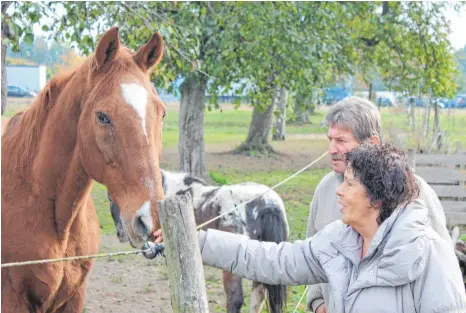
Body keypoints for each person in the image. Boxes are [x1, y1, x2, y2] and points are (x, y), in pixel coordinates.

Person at [146, 144, 466, 312]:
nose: (338, 191)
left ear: (377, 197)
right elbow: (273, 261)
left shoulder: (431, 256)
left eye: (350, 184)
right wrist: (195, 241)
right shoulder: (340, 240)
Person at [306, 96, 451, 313]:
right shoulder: (326, 188)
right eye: (330, 139)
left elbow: (442, 271)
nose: (331, 150)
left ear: (372, 143)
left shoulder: (413, 192)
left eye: (341, 141)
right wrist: (317, 301)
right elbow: (312, 252)